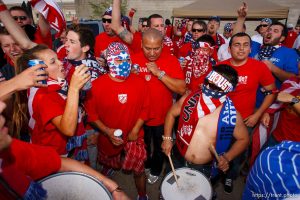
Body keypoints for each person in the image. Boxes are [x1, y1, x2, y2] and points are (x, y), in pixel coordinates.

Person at [0, 101, 130, 200]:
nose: (2, 105)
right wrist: (74, 88)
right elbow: (68, 129)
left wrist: (113, 187)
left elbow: (60, 163)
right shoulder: (45, 98)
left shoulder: (12, 150)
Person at [85, 42, 149, 200]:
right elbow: (92, 115)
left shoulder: (140, 82)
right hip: (109, 137)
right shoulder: (95, 86)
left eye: (127, 59)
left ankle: (142, 195)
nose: (125, 63)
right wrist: (107, 132)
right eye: (119, 60)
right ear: (109, 61)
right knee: (109, 161)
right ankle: (109, 170)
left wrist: (135, 129)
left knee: (139, 169)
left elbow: (146, 109)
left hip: (135, 135)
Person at [162, 64, 249, 180]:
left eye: (215, 87)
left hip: (203, 168)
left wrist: (227, 157)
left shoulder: (231, 116)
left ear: (227, 89)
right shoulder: (189, 99)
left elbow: (244, 139)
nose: (208, 87)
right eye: (208, 82)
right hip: (177, 158)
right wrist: (167, 139)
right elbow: (171, 113)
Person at [220, 32, 276, 193]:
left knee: (239, 152)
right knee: (220, 148)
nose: (241, 48)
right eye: (237, 44)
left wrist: (257, 115)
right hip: (221, 118)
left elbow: (272, 92)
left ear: (251, 48)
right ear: (229, 49)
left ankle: (230, 176)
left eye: (245, 45)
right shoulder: (221, 66)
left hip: (246, 120)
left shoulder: (258, 67)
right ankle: (216, 173)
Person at [131, 28, 186, 184]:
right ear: (141, 44)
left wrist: (160, 74)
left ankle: (156, 169)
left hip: (163, 116)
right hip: (140, 117)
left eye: (156, 48)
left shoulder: (171, 60)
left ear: (163, 45)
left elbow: (182, 88)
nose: (152, 53)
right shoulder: (133, 59)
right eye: (148, 48)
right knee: (144, 145)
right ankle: (147, 164)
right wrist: (130, 77)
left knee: (162, 146)